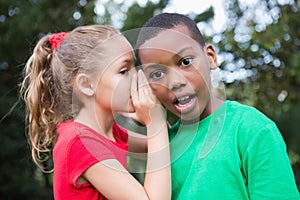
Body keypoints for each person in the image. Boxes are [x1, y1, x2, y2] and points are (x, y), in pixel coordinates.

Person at [136, 13, 300, 199]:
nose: (174, 82)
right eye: (157, 74)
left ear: (211, 57)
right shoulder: (162, 149)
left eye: (185, 62)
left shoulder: (251, 128)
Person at [20, 25, 171, 200]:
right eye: (124, 71)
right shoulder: (80, 142)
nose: (138, 76)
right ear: (87, 85)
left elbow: (163, 145)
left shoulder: (108, 132)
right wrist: (155, 123)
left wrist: (154, 122)